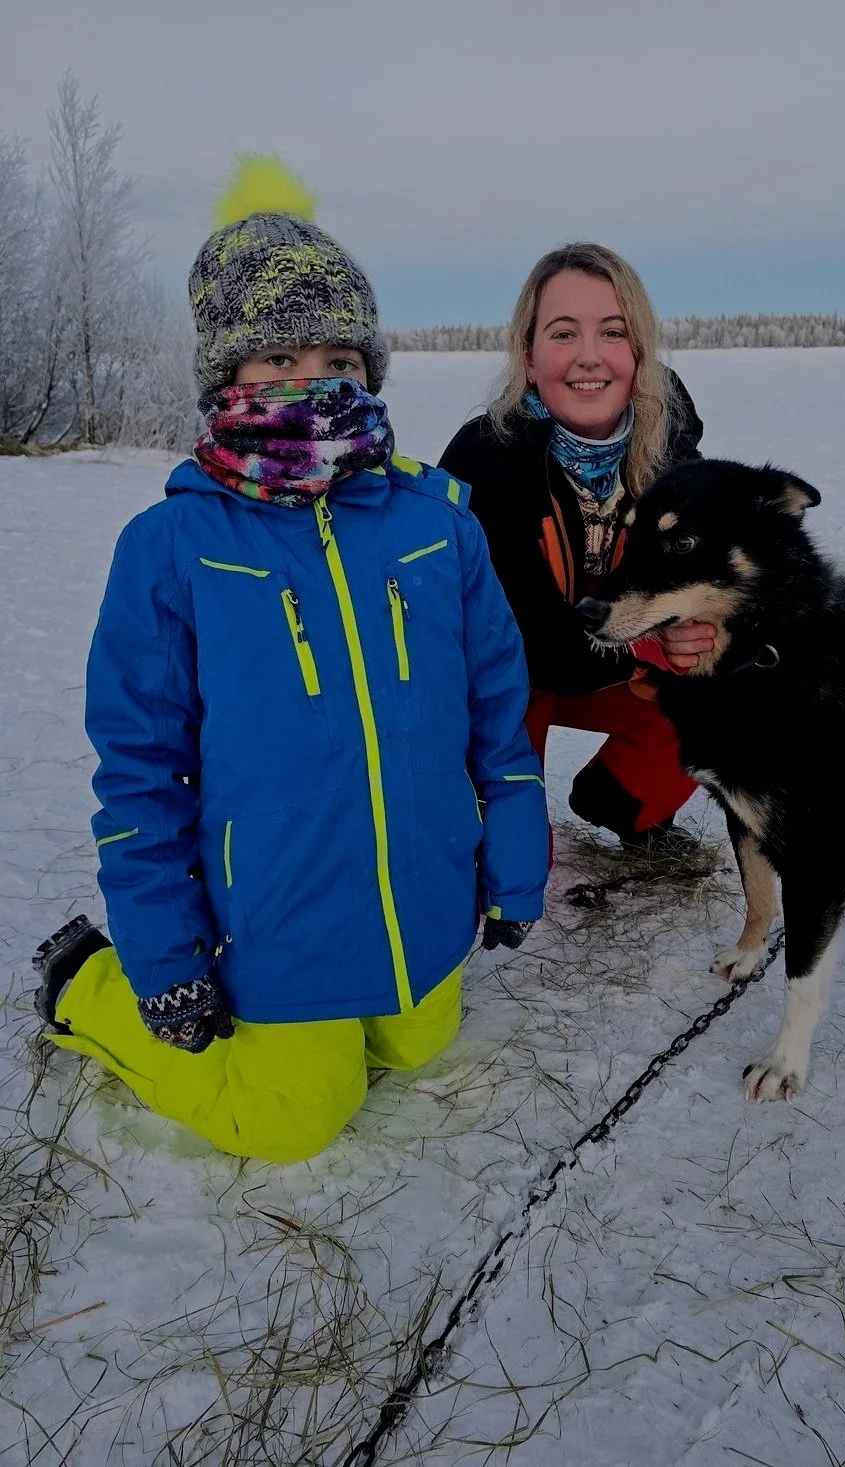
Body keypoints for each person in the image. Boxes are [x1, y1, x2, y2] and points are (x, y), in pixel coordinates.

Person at [31, 157, 548, 1165]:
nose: (313, 382)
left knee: (420, 1045)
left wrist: (514, 864)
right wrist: (165, 958)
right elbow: (141, 771)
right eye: (278, 358)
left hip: (418, 898)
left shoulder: (437, 524)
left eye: (338, 358)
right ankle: (86, 982)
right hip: (269, 917)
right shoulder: (172, 547)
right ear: (227, 377)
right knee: (292, 1118)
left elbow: (497, 713)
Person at [439, 243, 715, 854]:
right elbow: (525, 644)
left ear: (637, 353)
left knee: (724, 682)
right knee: (514, 854)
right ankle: (500, 832)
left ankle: (623, 801)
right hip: (513, 681)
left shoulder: (671, 451)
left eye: (613, 332)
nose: (590, 356)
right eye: (564, 333)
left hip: (615, 667)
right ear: (529, 355)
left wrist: (695, 635)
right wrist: (651, 640)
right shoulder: (485, 460)